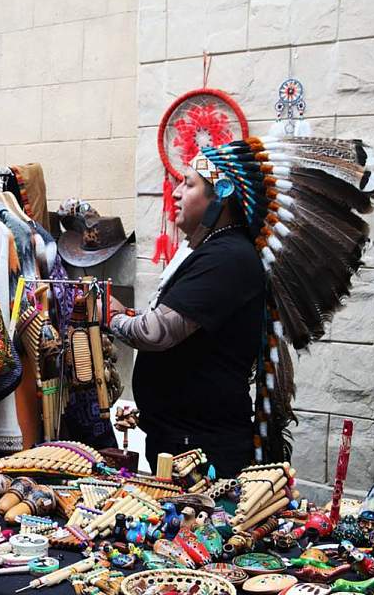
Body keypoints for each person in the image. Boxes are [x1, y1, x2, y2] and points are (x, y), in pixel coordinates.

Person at [106, 157, 265, 477]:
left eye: (188, 184)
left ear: (221, 196)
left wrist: (110, 315)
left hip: (202, 451)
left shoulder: (227, 257)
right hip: (183, 440)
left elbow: (155, 332)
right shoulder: (213, 251)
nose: (176, 192)